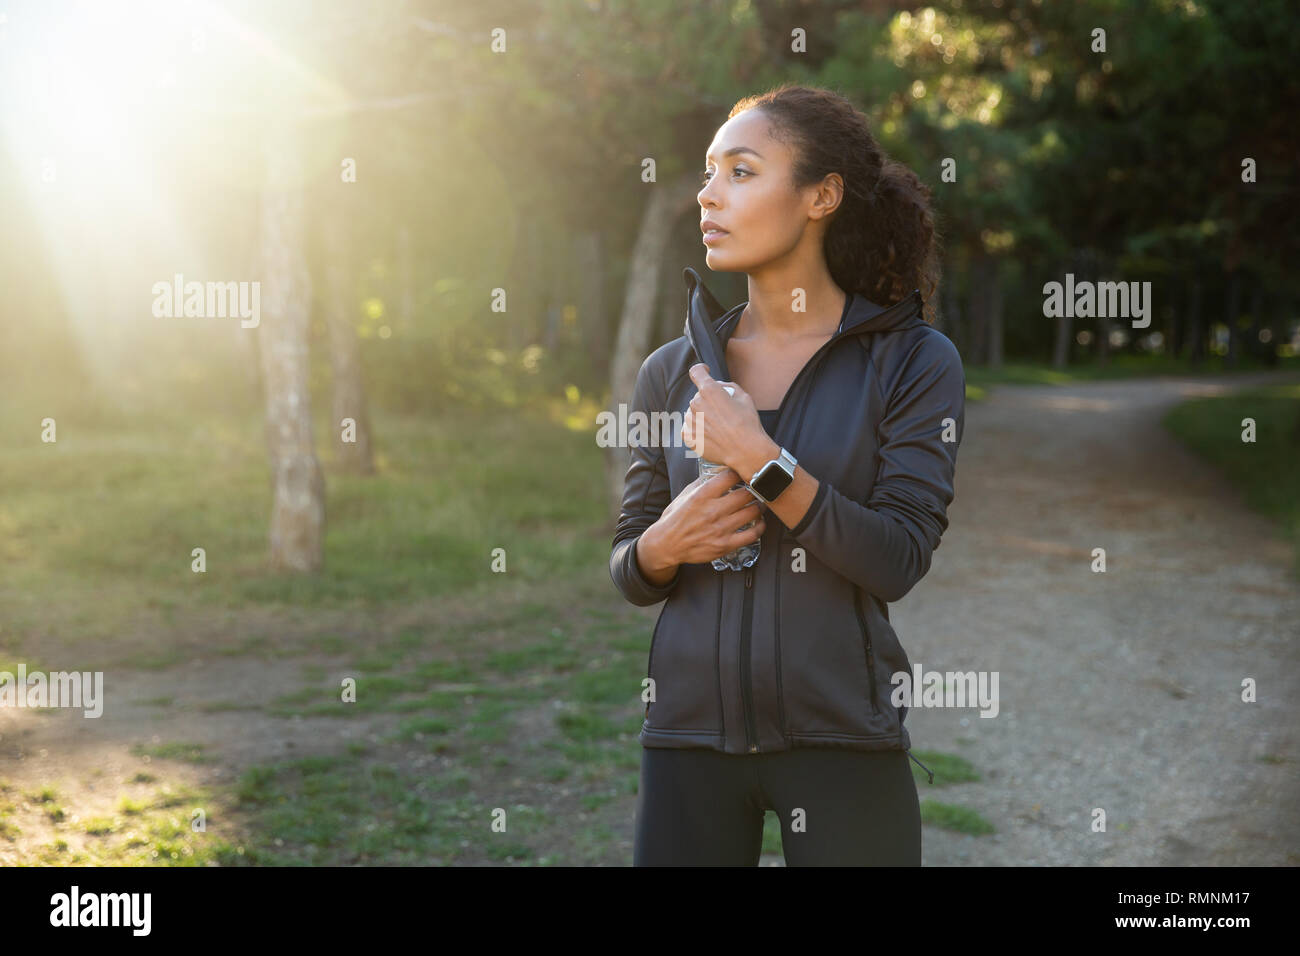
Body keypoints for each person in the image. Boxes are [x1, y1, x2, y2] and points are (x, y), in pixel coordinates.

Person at [610, 84, 966, 866]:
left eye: (741, 171)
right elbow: (631, 566)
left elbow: (897, 557)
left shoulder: (910, 362)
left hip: (841, 736)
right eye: (708, 173)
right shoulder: (673, 371)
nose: (708, 195)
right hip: (686, 740)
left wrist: (763, 463)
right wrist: (662, 548)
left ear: (821, 195)